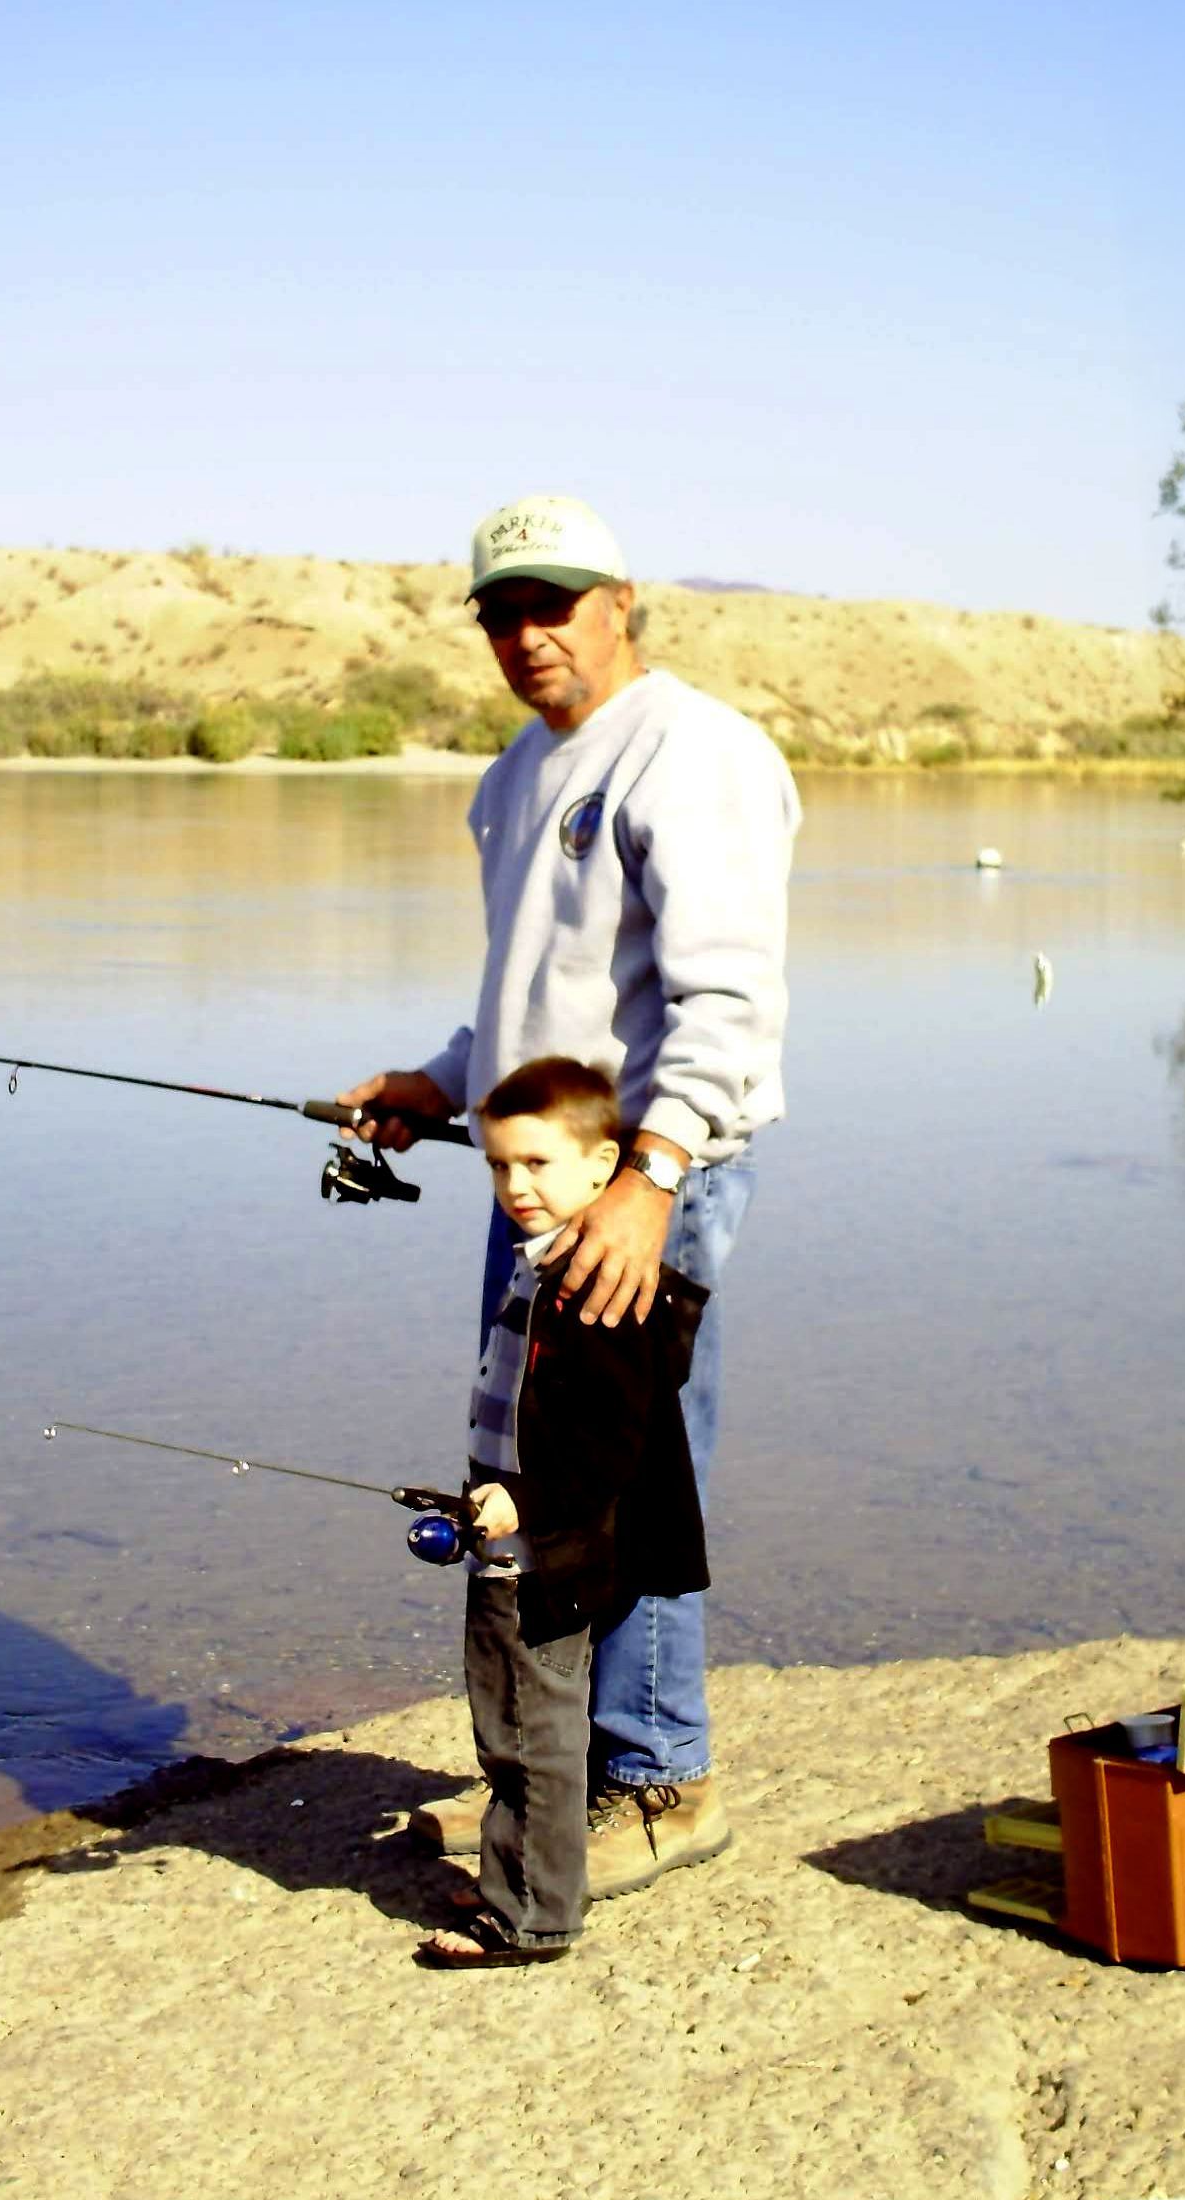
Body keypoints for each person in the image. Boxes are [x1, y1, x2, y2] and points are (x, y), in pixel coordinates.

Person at [342, 491, 799, 1898]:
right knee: (528, 1474)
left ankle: (660, 1776)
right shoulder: (512, 777)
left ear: (619, 603)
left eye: (553, 604)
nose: (527, 633)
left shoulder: (693, 752)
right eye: (501, 611)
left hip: (648, 1175)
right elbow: (531, 994)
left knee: (626, 1473)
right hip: (539, 1181)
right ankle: (564, 1771)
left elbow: (727, 1003)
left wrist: (651, 1176)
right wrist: (441, 1082)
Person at [419, 1057, 709, 1966]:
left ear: (602, 1166)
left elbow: (613, 1447)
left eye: (538, 1163)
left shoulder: (598, 1289)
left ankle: (532, 1916)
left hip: (545, 1561)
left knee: (529, 1739)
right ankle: (522, 1877)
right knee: (512, 1732)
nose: (515, 1185)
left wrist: (526, 1500)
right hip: (507, 1551)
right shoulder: (538, 1268)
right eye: (499, 1165)